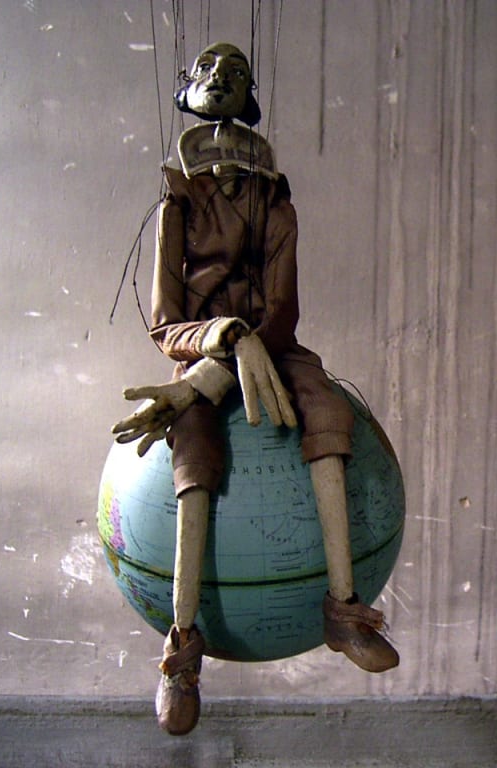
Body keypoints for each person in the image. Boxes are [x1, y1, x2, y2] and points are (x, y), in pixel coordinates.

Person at [112, 43, 398, 736]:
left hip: (274, 347)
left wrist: (245, 347)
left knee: (326, 413)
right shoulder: (176, 202)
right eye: (210, 69)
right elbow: (165, 324)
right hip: (209, 349)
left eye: (236, 72)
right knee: (193, 456)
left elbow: (283, 308)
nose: (222, 78)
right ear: (188, 92)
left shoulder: (275, 200)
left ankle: (342, 611)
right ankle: (182, 651)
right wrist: (219, 345)